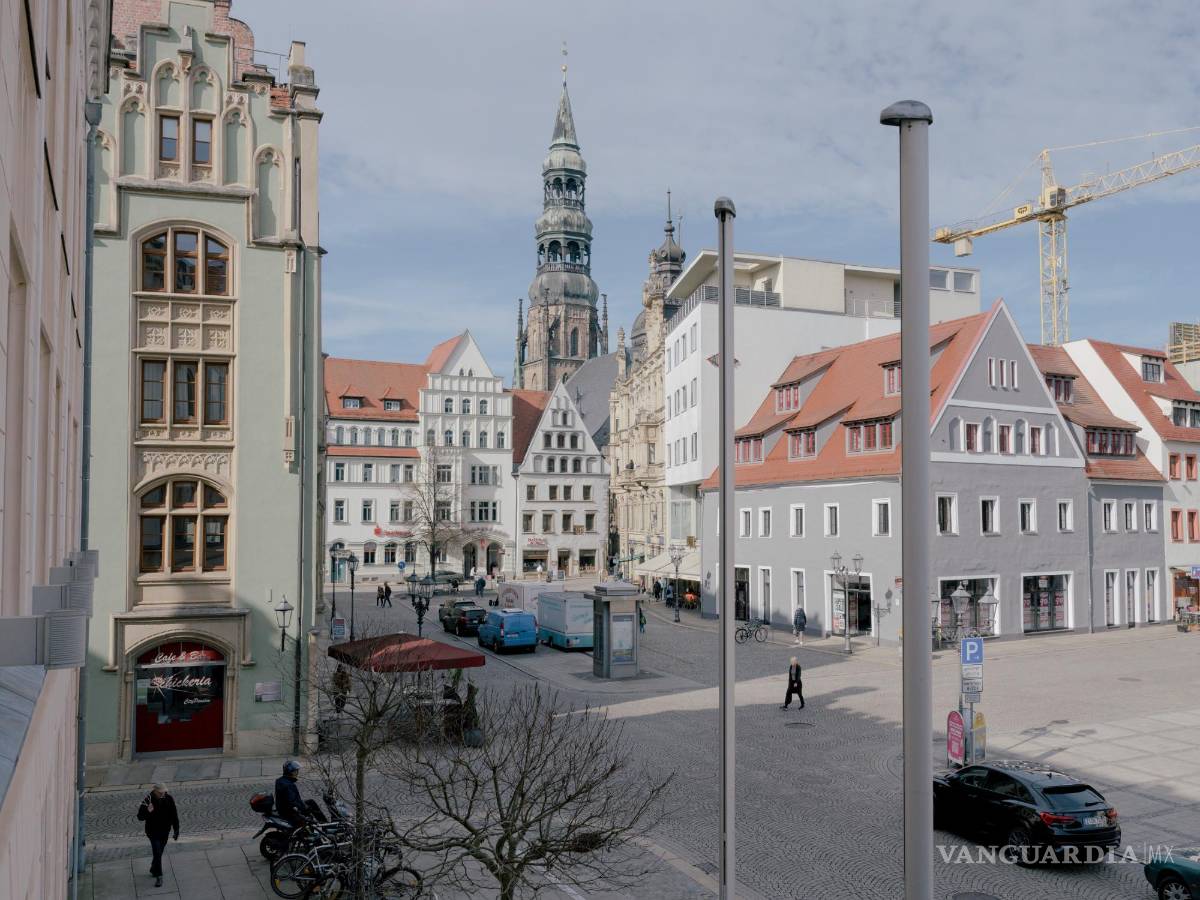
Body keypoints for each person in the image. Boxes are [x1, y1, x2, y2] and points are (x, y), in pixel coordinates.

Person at [136, 783, 179, 887]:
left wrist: (176, 830)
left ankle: (153, 868)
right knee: (157, 851)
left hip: (165, 830)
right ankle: (159, 876)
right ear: (155, 791)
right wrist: (148, 811)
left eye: (164, 791)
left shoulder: (169, 798)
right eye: (160, 792)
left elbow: (174, 814)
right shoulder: (148, 800)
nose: (163, 793)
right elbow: (140, 817)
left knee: (159, 853)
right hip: (153, 831)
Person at [274, 760, 308, 828]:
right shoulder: (289, 785)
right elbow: (292, 802)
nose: (297, 773)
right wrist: (304, 807)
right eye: (295, 771)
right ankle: (322, 823)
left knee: (310, 802)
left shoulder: (280, 781)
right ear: (290, 772)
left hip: (282, 808)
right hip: (288, 811)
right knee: (309, 811)